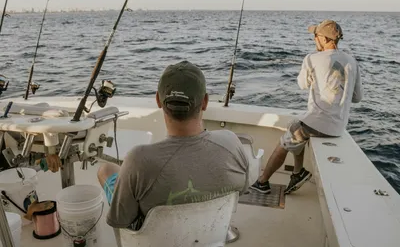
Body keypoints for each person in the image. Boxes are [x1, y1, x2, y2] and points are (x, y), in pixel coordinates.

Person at [97, 60, 249, 230]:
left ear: (158, 100)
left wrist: (129, 171)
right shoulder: (231, 142)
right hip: (211, 236)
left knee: (106, 170)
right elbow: (242, 189)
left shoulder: (138, 160)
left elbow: (120, 220)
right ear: (205, 102)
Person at [251, 19, 363, 195]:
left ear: (325, 39)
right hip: (338, 127)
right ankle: (297, 172)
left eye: (316, 36)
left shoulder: (312, 58)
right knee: (295, 125)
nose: (314, 40)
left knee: (283, 143)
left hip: (319, 124)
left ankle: (262, 182)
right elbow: (357, 98)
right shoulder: (352, 61)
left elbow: (302, 84)